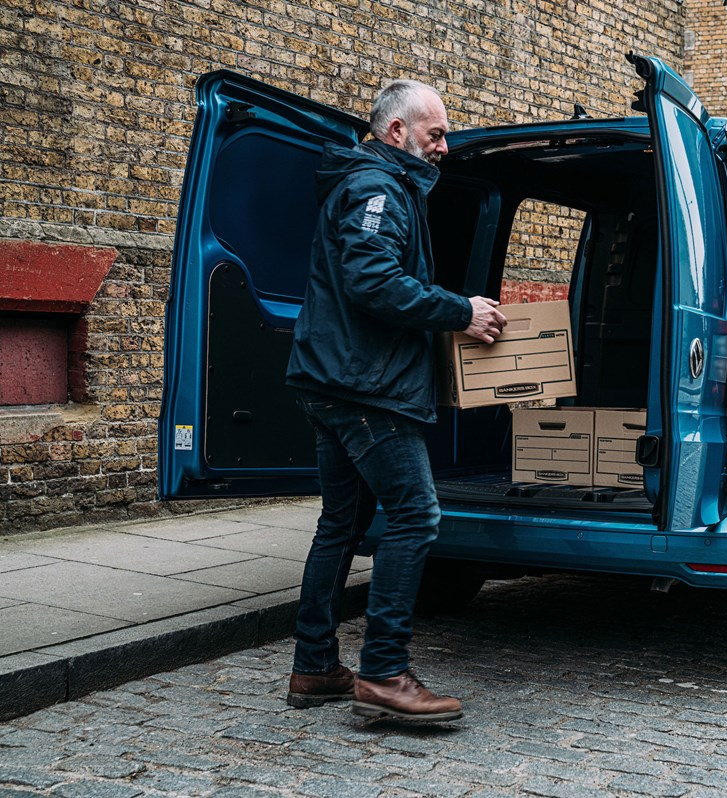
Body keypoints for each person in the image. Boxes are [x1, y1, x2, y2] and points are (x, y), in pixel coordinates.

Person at [282, 79, 506, 722]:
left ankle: (315, 667)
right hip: (364, 388)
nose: (445, 145)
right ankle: (382, 673)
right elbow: (372, 281)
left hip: (338, 381)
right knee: (415, 515)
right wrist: (457, 310)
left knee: (341, 524)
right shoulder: (377, 187)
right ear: (396, 131)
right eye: (435, 133)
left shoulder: (381, 183)